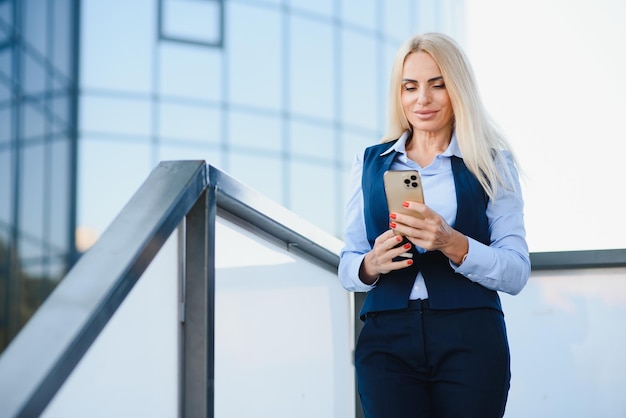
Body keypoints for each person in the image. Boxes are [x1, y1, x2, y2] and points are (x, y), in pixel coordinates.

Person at [338, 32, 531, 418]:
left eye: (436, 85)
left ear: (457, 89)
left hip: (470, 336)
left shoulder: (491, 163)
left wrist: (453, 243)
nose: (421, 99)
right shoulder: (370, 163)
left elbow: (516, 271)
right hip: (386, 337)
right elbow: (347, 264)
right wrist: (371, 263)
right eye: (410, 87)